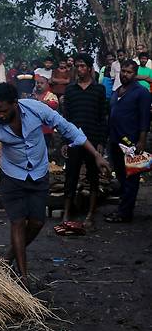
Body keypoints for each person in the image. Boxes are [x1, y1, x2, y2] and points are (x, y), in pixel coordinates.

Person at [0, 83, 109, 286]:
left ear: (15, 104)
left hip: (38, 173)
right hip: (12, 176)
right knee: (17, 222)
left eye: (4, 111)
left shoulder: (36, 108)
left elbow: (68, 129)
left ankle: (9, 258)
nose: (0, 115)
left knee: (37, 222)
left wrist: (96, 155)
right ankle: (23, 278)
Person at [58, 53, 108, 230]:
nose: (79, 69)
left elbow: (103, 117)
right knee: (70, 175)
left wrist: (101, 142)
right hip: (73, 140)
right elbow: (66, 118)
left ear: (89, 68)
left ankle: (90, 214)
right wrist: (64, 141)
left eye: (82, 66)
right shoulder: (70, 90)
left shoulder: (99, 89)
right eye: (77, 66)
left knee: (93, 177)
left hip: (93, 139)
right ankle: (66, 213)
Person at [106, 60, 152, 223]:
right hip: (114, 140)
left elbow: (145, 119)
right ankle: (122, 208)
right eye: (123, 71)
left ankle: (125, 213)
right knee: (120, 176)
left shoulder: (141, 92)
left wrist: (141, 141)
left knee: (131, 178)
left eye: (129, 72)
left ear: (135, 73)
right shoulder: (117, 91)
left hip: (131, 143)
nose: (125, 74)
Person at [32, 75, 59, 153]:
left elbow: (55, 104)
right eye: (37, 83)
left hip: (45, 130)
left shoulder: (50, 95)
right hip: (32, 129)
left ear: (47, 85)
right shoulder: (32, 94)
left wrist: (43, 103)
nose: (39, 85)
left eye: (41, 83)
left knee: (43, 150)